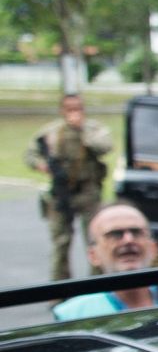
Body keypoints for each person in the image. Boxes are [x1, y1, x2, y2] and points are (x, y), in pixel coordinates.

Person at [51, 204, 158, 319]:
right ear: (93, 255)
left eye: (136, 232)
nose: (128, 240)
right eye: (115, 234)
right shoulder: (73, 315)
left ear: (154, 248)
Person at [25, 93, 114, 281]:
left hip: (88, 191)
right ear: (62, 111)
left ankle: (97, 283)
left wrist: (82, 132)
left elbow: (105, 147)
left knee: (94, 239)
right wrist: (42, 165)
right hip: (61, 193)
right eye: (70, 109)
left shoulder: (94, 129)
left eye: (78, 108)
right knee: (61, 241)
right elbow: (30, 154)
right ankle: (59, 287)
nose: (75, 112)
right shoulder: (51, 132)